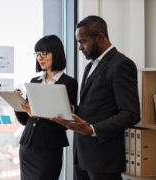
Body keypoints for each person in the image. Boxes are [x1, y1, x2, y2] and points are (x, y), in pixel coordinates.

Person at [50, 16, 140, 180]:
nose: (79, 47)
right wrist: (69, 109)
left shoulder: (121, 64)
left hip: (104, 158)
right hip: (82, 155)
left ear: (100, 37)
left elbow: (131, 113)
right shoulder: (90, 66)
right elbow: (90, 106)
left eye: (83, 41)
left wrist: (92, 129)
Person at [14, 35, 78, 180]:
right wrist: (18, 103)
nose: (39, 58)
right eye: (37, 54)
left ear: (56, 53)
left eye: (44, 53)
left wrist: (38, 114)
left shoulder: (69, 83)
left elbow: (66, 124)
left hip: (50, 148)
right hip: (27, 145)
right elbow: (25, 120)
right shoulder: (34, 81)